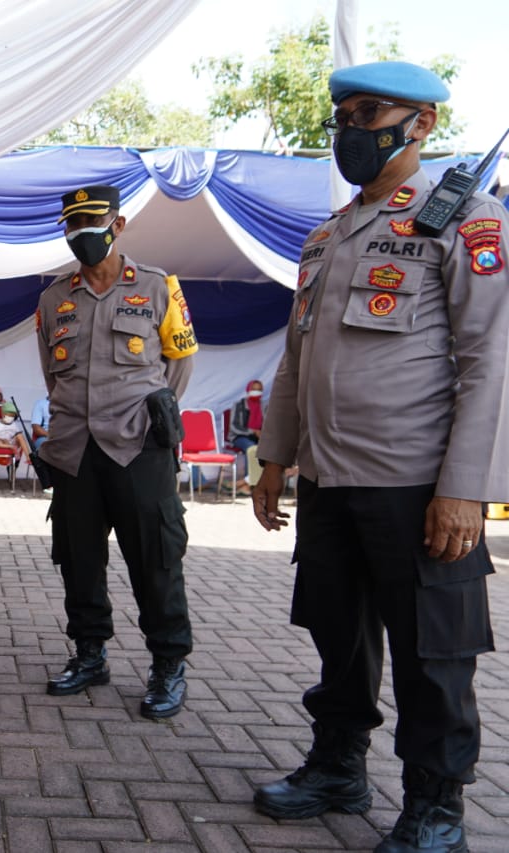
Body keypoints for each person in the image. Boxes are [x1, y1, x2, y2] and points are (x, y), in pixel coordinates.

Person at [250, 61, 506, 853]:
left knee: (434, 655)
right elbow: (296, 359)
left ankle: (436, 806)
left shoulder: (465, 221)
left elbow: (489, 358)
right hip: (329, 478)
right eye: (343, 118)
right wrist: (274, 456)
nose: (350, 131)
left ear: (421, 124)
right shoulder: (326, 236)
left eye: (367, 114)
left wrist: (466, 489)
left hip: (415, 484)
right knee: (338, 634)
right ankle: (338, 766)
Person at [36, 184, 198, 719]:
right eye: (72, 225)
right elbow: (52, 372)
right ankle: (89, 654)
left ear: (118, 225)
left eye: (92, 222)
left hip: (138, 450)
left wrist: (152, 412)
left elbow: (180, 359)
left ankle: (168, 664)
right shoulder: (53, 298)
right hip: (75, 452)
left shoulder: (156, 288)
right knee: (79, 561)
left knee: (155, 559)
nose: (82, 233)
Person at [227, 379, 265, 496]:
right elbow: (233, 426)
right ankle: (250, 484)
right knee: (252, 449)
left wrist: (262, 433)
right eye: (254, 389)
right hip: (240, 436)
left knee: (269, 451)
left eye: (259, 390)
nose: (256, 392)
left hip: (259, 437)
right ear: (248, 390)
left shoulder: (264, 406)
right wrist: (253, 431)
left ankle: (244, 483)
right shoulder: (239, 405)